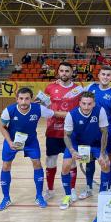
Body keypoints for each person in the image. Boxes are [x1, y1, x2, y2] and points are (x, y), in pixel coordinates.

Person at [0, 87, 65, 211]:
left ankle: (39, 196)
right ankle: (6, 198)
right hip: (12, 141)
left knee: (37, 163)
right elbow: (2, 127)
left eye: (27, 99)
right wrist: (9, 142)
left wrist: (74, 114)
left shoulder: (38, 109)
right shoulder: (8, 110)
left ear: (31, 99)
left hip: (30, 142)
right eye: (21, 99)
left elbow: (55, 113)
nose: (24, 102)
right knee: (6, 166)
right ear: (16, 99)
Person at [59, 91, 109, 210]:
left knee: (106, 163)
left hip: (95, 143)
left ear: (94, 104)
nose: (86, 107)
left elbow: (105, 132)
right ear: (79, 103)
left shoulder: (100, 111)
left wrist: (102, 153)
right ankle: (67, 196)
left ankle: (102, 194)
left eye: (89, 104)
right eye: (84, 103)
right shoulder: (71, 115)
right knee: (66, 166)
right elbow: (66, 135)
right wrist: (72, 151)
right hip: (76, 144)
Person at [80, 65, 111, 197]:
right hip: (88, 130)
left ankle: (109, 186)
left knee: (108, 158)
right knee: (88, 158)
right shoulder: (90, 88)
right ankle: (88, 187)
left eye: (108, 75)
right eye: (103, 74)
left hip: (106, 131)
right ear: (98, 75)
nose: (105, 77)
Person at [43, 62, 81, 202]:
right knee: (51, 161)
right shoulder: (50, 87)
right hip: (52, 131)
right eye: (62, 71)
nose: (64, 73)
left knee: (71, 163)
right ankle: (50, 190)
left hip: (70, 133)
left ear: (72, 72)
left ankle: (71, 190)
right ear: (58, 72)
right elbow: (45, 106)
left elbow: (80, 111)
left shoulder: (78, 90)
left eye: (67, 71)